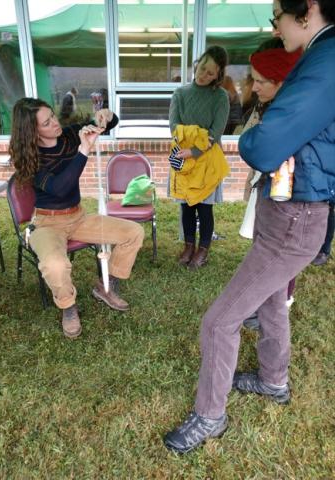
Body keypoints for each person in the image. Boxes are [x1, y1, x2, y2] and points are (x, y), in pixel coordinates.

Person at [163, 0, 335, 454]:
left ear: (308, 10)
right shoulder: (319, 56)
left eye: (278, 15)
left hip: (296, 219)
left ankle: (210, 416)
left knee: (220, 322)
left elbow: (260, 146)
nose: (274, 26)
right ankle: (273, 381)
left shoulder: (325, 58)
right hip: (288, 213)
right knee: (274, 301)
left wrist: (253, 135)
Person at [9, 98, 144, 339]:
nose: (55, 123)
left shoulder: (70, 134)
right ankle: (68, 306)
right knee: (55, 265)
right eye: (47, 122)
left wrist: (106, 116)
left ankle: (106, 285)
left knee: (133, 232)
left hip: (78, 217)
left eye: (53, 115)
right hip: (47, 223)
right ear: (31, 131)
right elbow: (60, 188)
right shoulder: (30, 159)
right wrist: (83, 150)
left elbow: (108, 124)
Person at [237, 39, 302, 330]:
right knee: (264, 250)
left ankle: (277, 309)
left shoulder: (293, 114)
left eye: (261, 81)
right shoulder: (268, 107)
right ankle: (264, 306)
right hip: (269, 189)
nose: (253, 87)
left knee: (280, 257)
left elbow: (257, 148)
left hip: (288, 197)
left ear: (281, 81)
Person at [169, 45, 230, 270]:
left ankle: (203, 249)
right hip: (182, 158)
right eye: (202, 68)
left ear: (218, 75)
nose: (204, 75)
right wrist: (192, 139)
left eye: (210, 73)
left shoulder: (220, 97)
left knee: (204, 207)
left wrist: (194, 149)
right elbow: (174, 127)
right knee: (186, 206)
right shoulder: (180, 94)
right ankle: (188, 245)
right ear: (197, 64)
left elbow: (215, 133)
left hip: (207, 161)